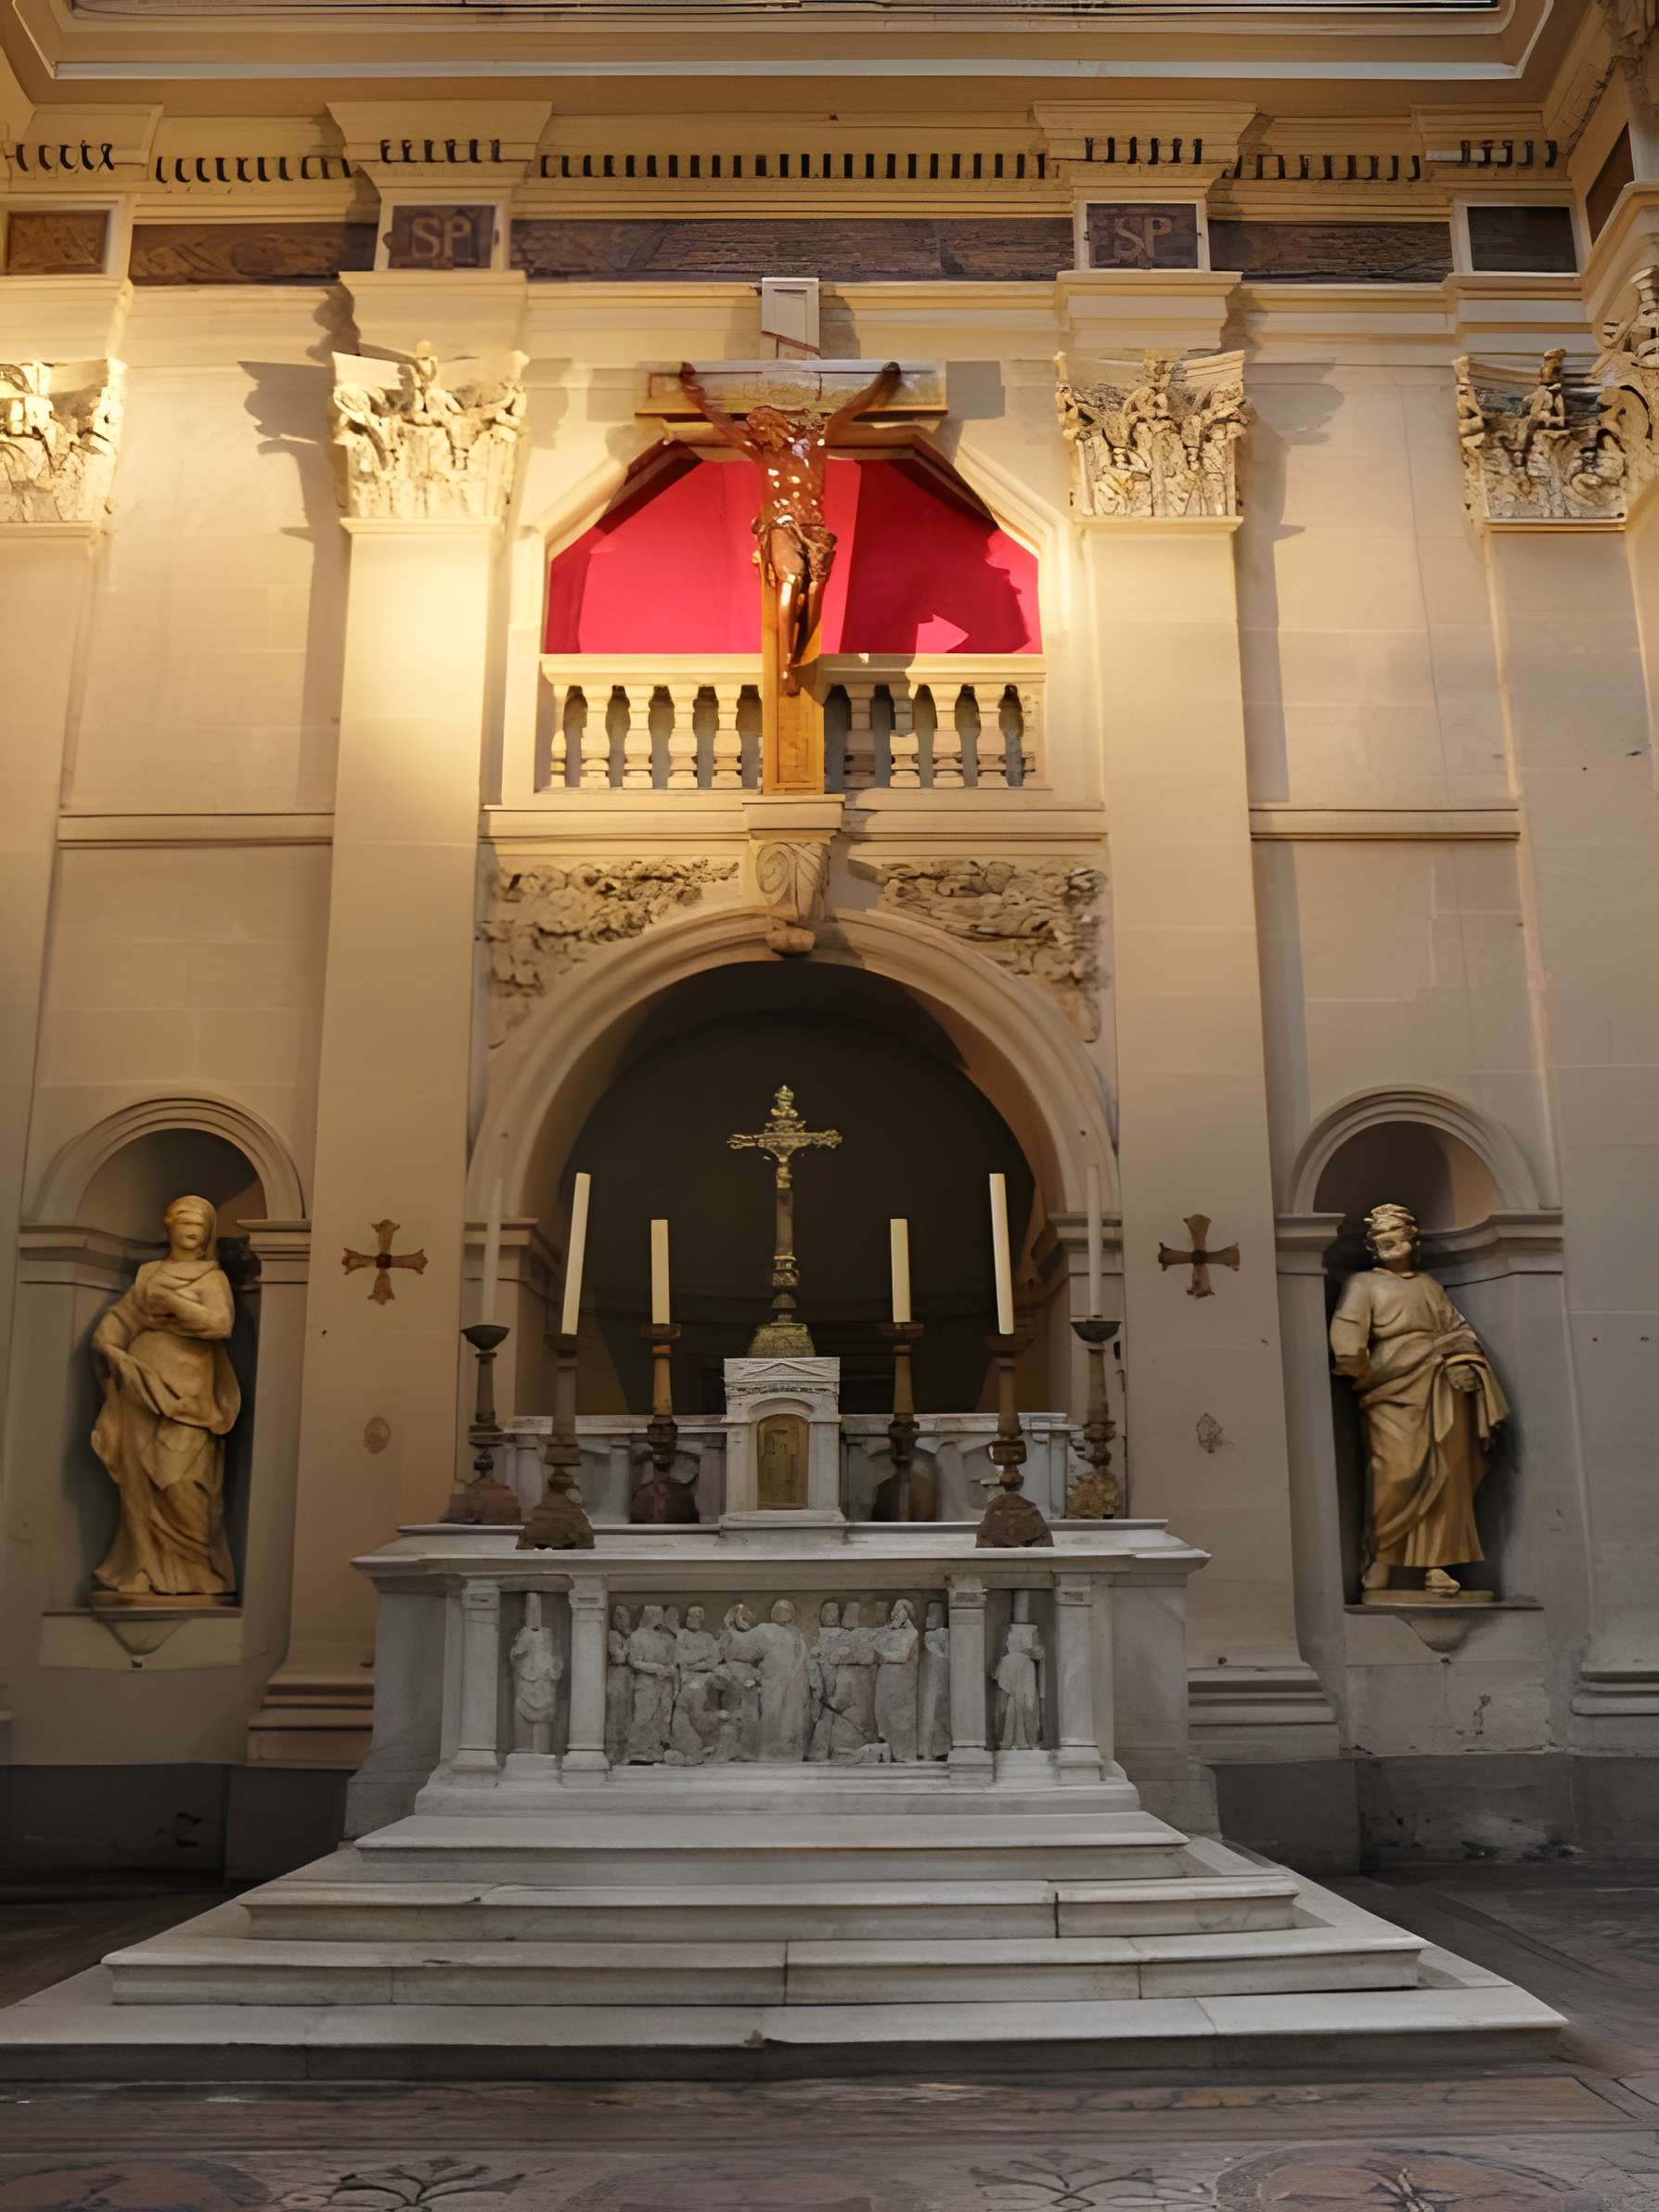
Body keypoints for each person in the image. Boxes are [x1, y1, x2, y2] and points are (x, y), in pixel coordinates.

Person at [677, 358, 901, 692]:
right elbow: (725, 426)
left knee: (814, 592)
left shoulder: (816, 443)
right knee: (792, 579)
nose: (761, 434)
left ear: (779, 422)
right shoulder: (761, 454)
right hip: (780, 526)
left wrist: (882, 384)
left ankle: (795, 657)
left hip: (814, 530)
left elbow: (850, 409)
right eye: (758, 430)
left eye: (765, 426)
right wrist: (696, 396)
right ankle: (784, 666)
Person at [1331, 1202, 1509, 1596]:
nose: (1385, 1239)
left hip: (1441, 1387)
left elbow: (1458, 1331)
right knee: (1394, 1473)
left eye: (1393, 1231)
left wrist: (1465, 1362)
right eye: (1378, 1235)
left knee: (1446, 1473)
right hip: (1390, 1388)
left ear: (1412, 1237)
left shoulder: (1430, 1286)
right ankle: (1382, 1558)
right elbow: (1347, 1330)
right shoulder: (1364, 1284)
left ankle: (1437, 1565)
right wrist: (1357, 1364)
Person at [89, 1194, 240, 1598]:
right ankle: (144, 1566)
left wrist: (170, 1303)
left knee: (183, 1482)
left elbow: (220, 1323)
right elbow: (122, 1318)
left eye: (201, 1223)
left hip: (189, 1397)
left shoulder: (212, 1278)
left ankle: (196, 1568)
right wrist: (109, 1346)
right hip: (139, 1387)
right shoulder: (148, 1275)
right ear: (168, 1224)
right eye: (185, 1220)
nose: (193, 1228)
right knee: (138, 1481)